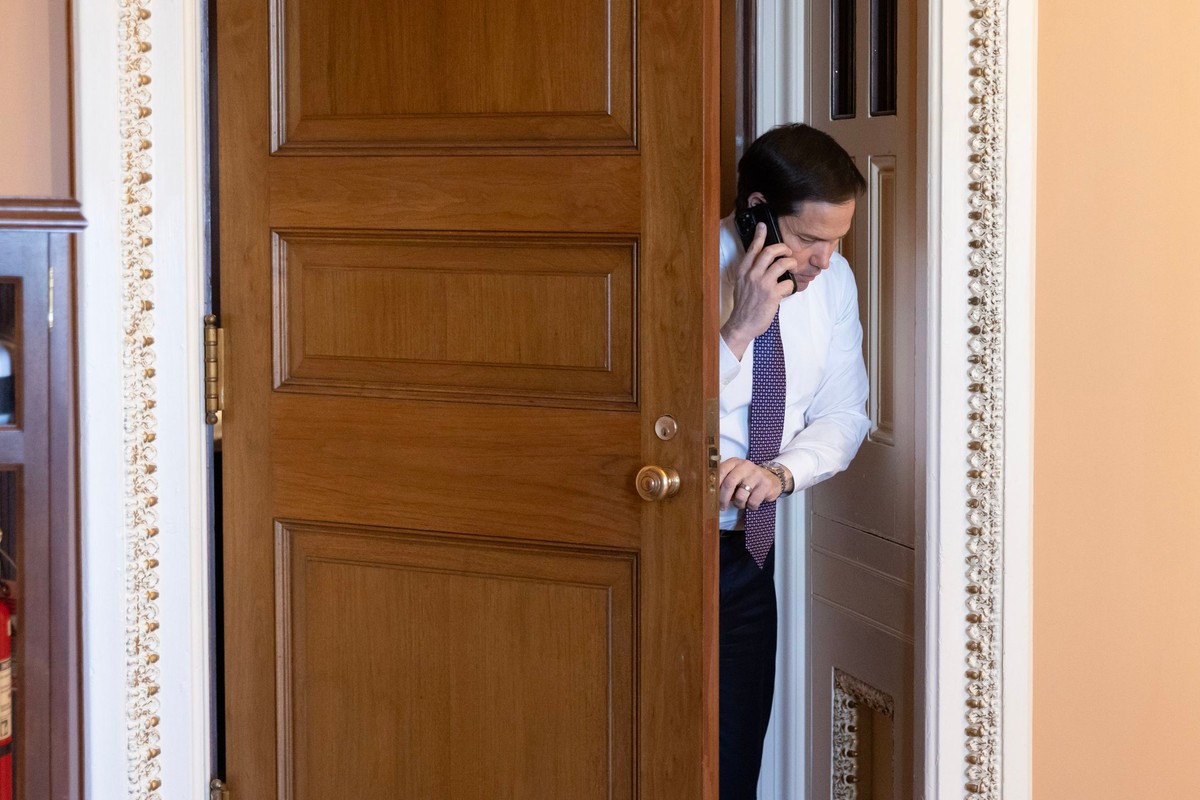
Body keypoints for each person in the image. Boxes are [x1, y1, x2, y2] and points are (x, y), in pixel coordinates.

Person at [717, 123, 870, 799]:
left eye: (837, 240)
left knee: (732, 766)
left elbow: (845, 412)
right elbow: (651, 416)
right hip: (662, 543)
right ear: (757, 212)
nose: (826, 260)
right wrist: (739, 327)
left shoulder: (833, 285)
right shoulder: (681, 262)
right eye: (811, 240)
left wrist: (778, 473)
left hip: (749, 552)